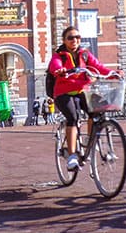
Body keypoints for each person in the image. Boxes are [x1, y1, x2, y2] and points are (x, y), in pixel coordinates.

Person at [48, 25, 121, 171]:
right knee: (73, 118)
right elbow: (54, 66)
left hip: (82, 90)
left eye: (77, 37)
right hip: (64, 92)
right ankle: (72, 155)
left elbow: (98, 67)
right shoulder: (59, 55)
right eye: (70, 38)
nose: (74, 40)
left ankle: (89, 139)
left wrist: (114, 73)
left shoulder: (85, 54)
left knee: (96, 111)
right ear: (64, 40)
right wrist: (59, 70)